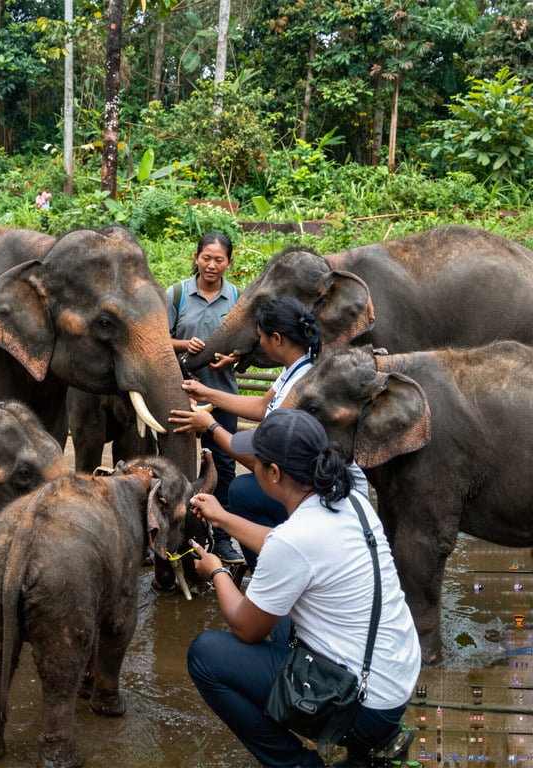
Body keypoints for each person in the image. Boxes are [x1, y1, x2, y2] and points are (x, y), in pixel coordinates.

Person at [186, 408, 420, 768]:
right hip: (394, 681)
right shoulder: (351, 500)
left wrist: (216, 571)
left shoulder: (295, 538)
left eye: (257, 461)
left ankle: (297, 763)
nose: (254, 466)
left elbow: (246, 628)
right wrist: (223, 518)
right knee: (278, 616)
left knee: (206, 655)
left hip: (362, 706)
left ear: (274, 473)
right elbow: (287, 544)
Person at [170, 296, 368, 571]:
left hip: (333, 498)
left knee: (243, 491)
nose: (259, 342)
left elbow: (258, 460)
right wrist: (208, 393)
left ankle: (272, 571)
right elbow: (263, 406)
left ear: (276, 339)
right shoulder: (298, 368)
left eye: (260, 336)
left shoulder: (304, 384)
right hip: (316, 484)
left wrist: (210, 427)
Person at [167, 232, 243, 564]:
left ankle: (222, 540)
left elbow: (244, 343)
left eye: (219, 259)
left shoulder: (236, 297)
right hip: (180, 393)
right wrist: (185, 345)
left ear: (229, 262)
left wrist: (233, 357)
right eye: (206, 258)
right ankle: (175, 536)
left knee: (224, 466)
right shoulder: (177, 294)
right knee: (178, 465)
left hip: (223, 396)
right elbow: (158, 340)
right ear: (196, 258)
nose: (212, 265)